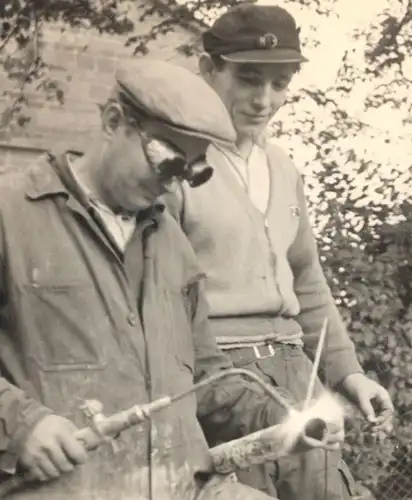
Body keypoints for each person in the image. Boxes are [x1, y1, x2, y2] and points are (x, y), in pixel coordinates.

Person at [0, 60, 339, 500]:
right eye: (167, 160)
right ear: (114, 122)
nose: (173, 184)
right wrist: (22, 423)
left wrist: (282, 414)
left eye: (192, 172)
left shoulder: (170, 242)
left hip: (180, 486)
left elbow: (204, 375)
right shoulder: (12, 213)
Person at [164, 5, 394, 500]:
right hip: (223, 384)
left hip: (297, 374)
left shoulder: (284, 168)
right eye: (248, 79)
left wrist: (349, 373)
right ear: (209, 71)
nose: (263, 100)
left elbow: (307, 281)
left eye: (279, 83)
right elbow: (159, 298)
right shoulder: (176, 168)